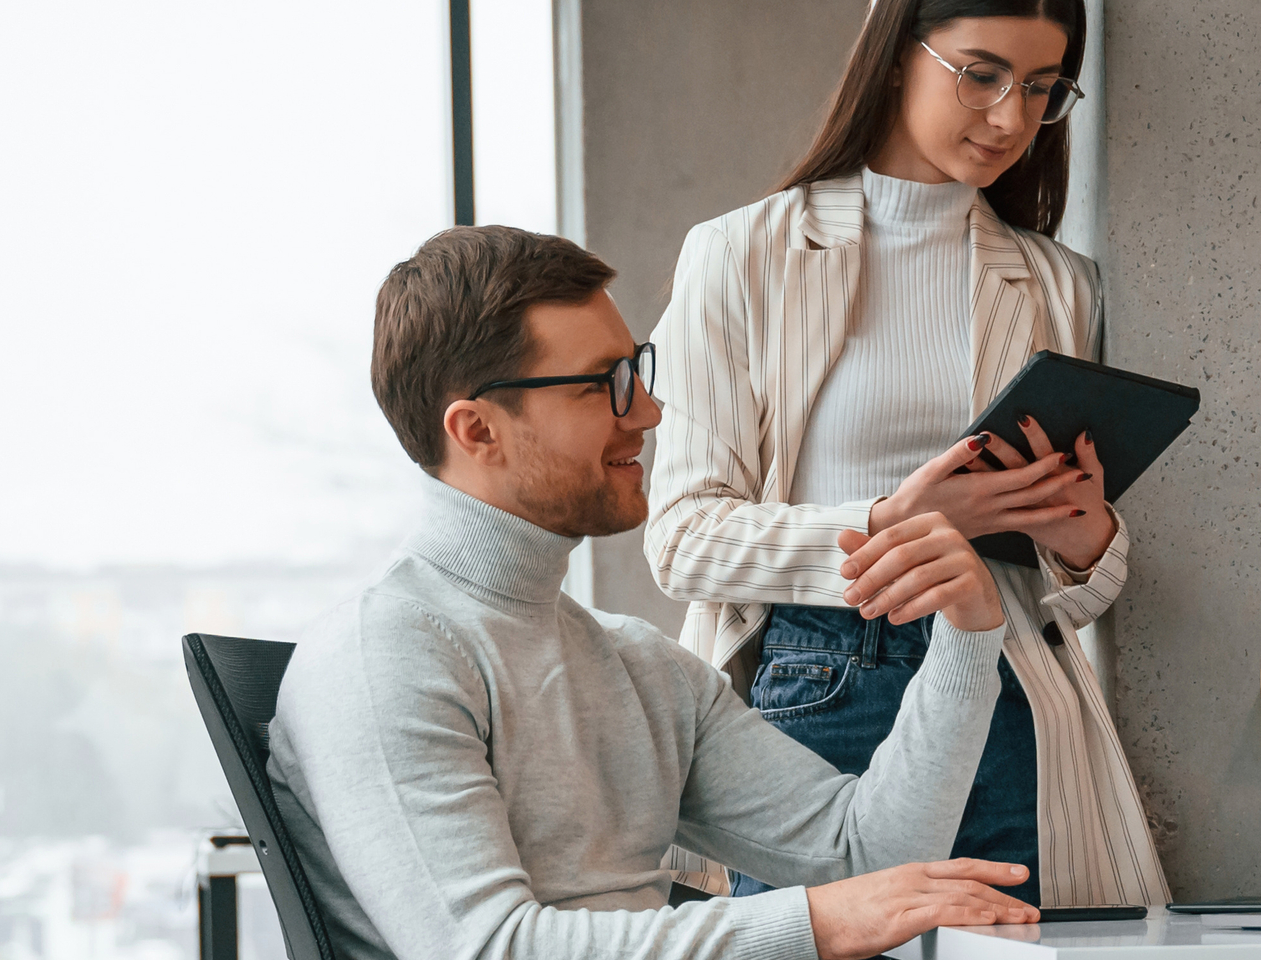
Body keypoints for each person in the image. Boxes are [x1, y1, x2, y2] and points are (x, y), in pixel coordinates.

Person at [270, 226, 1043, 960]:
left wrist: (967, 636)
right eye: (599, 386)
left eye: (633, 370)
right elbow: (482, 949)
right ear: (477, 431)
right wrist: (815, 924)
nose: (645, 411)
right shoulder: (382, 656)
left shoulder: (637, 666)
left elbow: (866, 857)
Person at [644, 0, 1169, 907]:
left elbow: (1069, 596)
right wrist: (899, 524)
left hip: (1007, 684)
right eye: (982, 73)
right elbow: (683, 541)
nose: (1010, 117)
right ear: (896, 59)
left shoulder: (1057, 282)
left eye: (1041, 88)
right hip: (816, 678)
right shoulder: (741, 253)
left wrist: (1086, 538)